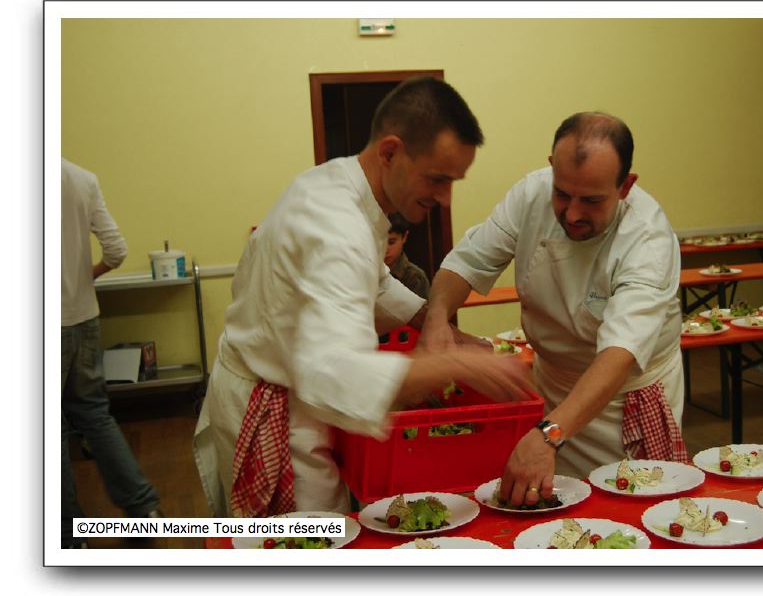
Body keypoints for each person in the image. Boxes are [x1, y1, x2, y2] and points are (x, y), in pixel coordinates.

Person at [192, 77, 531, 518]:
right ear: (390, 152)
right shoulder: (335, 225)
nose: (445, 198)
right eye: (437, 179)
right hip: (275, 403)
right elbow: (334, 370)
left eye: (454, 182)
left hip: (285, 384)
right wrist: (456, 364)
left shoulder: (346, 186)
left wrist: (432, 320)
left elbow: (373, 281)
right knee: (310, 540)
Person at [420, 112, 687, 509]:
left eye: (592, 201)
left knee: (626, 512)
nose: (573, 214)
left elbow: (619, 354)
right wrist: (437, 317)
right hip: (553, 387)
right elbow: (468, 262)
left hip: (620, 401)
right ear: (551, 169)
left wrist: (549, 435)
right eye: (562, 194)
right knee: (556, 510)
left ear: (625, 186)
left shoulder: (647, 239)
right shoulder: (530, 195)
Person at [61, 158, 163, 548]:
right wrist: (86, 276)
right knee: (95, 415)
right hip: (83, 316)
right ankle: (144, 509)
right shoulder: (80, 178)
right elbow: (116, 250)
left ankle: (69, 535)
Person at [384, 212, 430, 299]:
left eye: (391, 242)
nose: (385, 249)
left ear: (404, 237)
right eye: (380, 243)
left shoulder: (416, 278)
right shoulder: (368, 271)